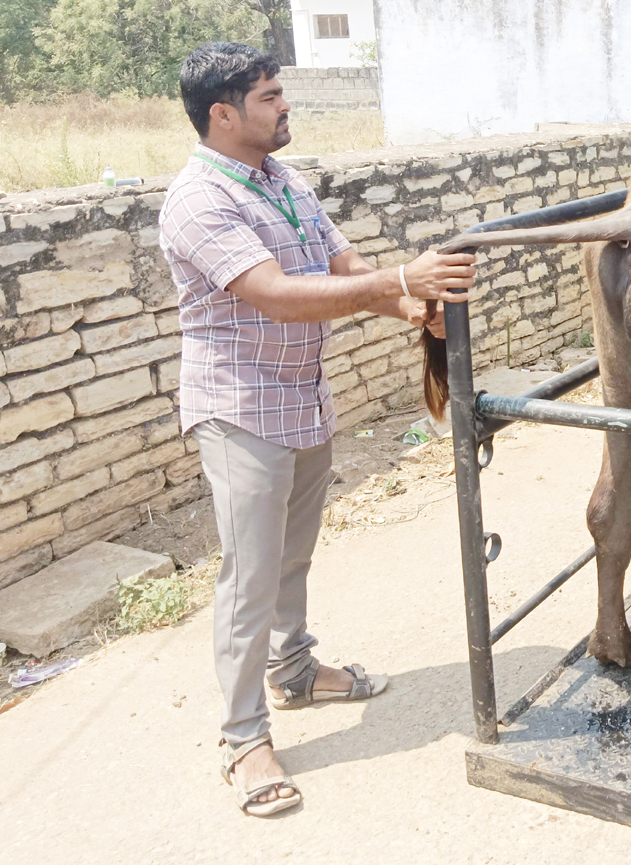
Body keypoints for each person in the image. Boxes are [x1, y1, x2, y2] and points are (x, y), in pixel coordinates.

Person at [159, 42, 476, 816]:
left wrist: (406, 307)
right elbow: (274, 295)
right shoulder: (201, 200)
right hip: (241, 408)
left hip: (301, 397)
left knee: (291, 557)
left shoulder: (282, 178)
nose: (284, 105)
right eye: (268, 97)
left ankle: (294, 672)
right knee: (249, 576)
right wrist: (403, 279)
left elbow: (338, 266)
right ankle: (243, 740)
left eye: (280, 93)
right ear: (223, 114)